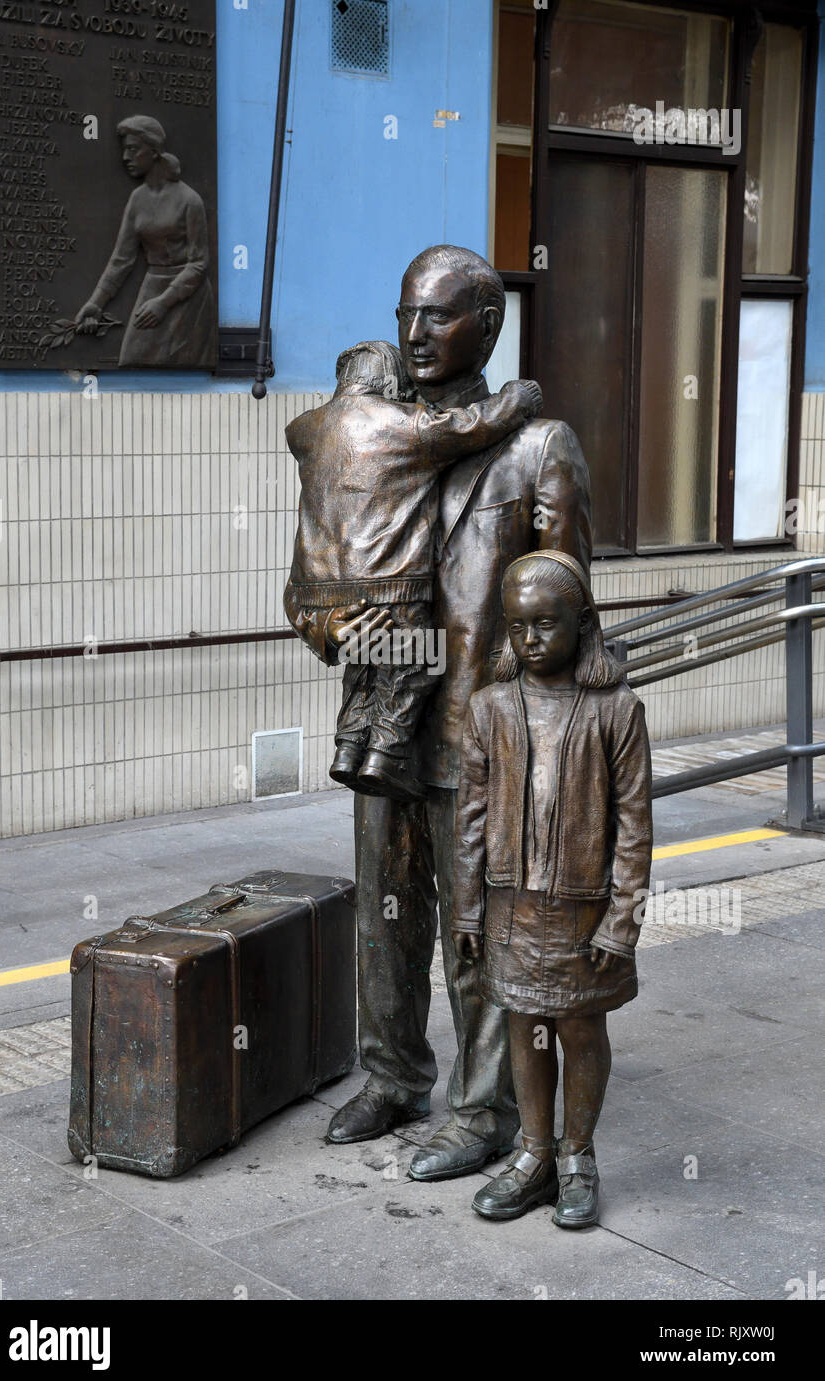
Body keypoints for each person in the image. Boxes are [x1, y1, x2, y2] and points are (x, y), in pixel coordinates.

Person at [286, 246, 592, 1176]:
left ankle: (486, 1109)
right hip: (383, 720)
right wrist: (341, 628)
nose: (416, 334)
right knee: (384, 916)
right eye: (407, 314)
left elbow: (572, 603)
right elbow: (311, 589)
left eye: (440, 317)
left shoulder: (538, 447)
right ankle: (390, 1074)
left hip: (481, 731)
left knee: (475, 927)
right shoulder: (362, 430)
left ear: (488, 327)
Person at [452, 551, 652, 1226]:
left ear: (583, 622)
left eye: (545, 623)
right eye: (516, 625)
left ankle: (577, 1155)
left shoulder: (617, 711)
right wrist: (468, 911)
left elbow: (634, 827)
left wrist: (622, 921)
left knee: (578, 1025)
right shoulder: (488, 708)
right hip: (511, 905)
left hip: (584, 910)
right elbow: (469, 823)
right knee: (522, 1022)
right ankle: (534, 1155)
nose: (529, 639)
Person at [284, 339, 543, 801]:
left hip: (324, 589)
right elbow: (472, 425)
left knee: (365, 664)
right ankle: (385, 753)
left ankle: (348, 748)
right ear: (387, 384)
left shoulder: (306, 430)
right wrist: (515, 400)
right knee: (417, 660)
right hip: (392, 582)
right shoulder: (402, 424)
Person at [76, 115, 216, 367]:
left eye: (133, 149)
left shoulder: (189, 200)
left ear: (153, 151)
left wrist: (163, 303)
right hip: (152, 286)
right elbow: (122, 260)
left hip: (187, 297)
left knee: (179, 363)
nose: (125, 158)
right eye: (124, 150)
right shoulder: (137, 199)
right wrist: (95, 303)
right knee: (132, 358)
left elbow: (198, 263)